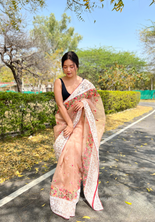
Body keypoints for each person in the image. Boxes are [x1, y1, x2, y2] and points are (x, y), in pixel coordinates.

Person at [50, 51, 106, 219]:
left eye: (71, 66)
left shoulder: (85, 84)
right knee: (69, 155)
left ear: (77, 66)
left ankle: (75, 189)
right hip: (66, 123)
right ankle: (65, 194)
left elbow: (95, 103)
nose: (68, 70)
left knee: (78, 154)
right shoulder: (58, 82)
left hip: (82, 125)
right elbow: (60, 105)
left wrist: (84, 102)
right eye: (65, 67)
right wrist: (68, 124)